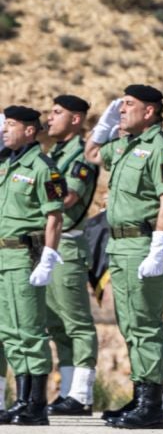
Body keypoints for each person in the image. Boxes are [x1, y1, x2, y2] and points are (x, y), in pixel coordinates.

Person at [98, 84, 163, 430]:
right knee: (130, 324)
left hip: (141, 245)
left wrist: (160, 250)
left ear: (149, 111)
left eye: (128, 105)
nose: (121, 109)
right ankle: (140, 396)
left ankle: (151, 405)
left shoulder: (160, 149)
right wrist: (103, 126)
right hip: (119, 246)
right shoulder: (124, 146)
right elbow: (93, 154)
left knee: (145, 324)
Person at [0, 106, 62, 425]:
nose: (5, 130)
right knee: (10, 330)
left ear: (29, 131)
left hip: (25, 256)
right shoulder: (7, 164)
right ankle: (20, 399)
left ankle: (36, 403)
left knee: (30, 330)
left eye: (11, 125)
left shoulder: (42, 167)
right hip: (3, 257)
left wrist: (48, 257)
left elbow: (54, 215)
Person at [42, 94, 100, 416]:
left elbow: (69, 196)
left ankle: (82, 392)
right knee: (55, 323)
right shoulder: (55, 153)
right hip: (48, 241)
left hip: (67, 242)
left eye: (57, 113)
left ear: (75, 119)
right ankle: (67, 391)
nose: (49, 118)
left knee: (76, 321)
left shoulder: (80, 154)